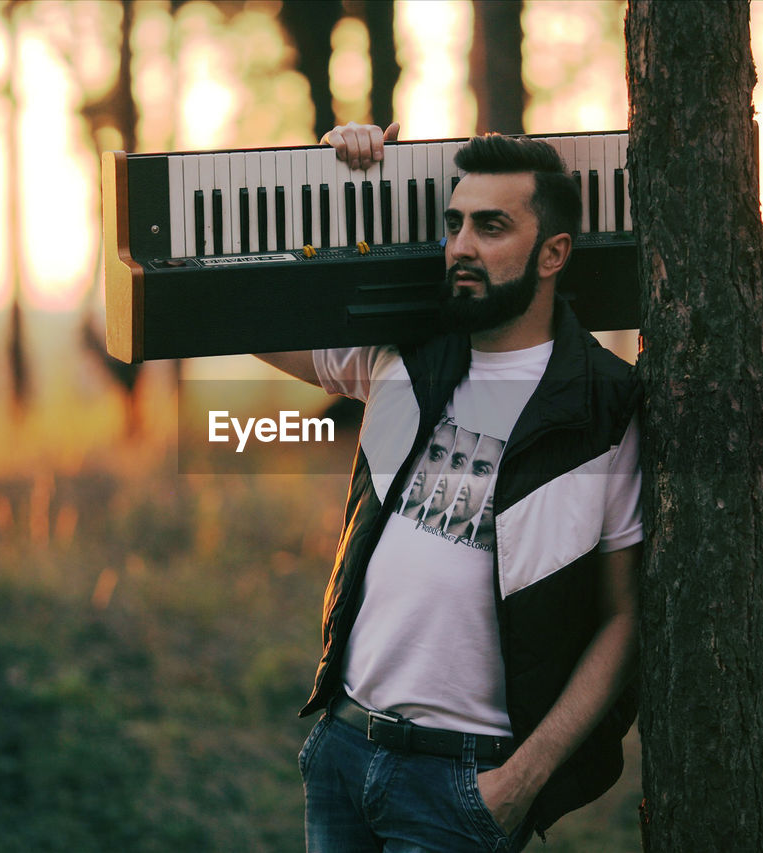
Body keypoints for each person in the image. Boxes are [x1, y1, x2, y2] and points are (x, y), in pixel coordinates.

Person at [256, 121, 643, 852]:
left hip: (463, 784)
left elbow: (626, 619)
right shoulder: (400, 358)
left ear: (553, 252)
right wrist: (326, 181)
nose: (461, 245)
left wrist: (522, 779)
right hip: (343, 747)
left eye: (491, 226)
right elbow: (242, 315)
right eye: (455, 223)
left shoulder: (603, 406)